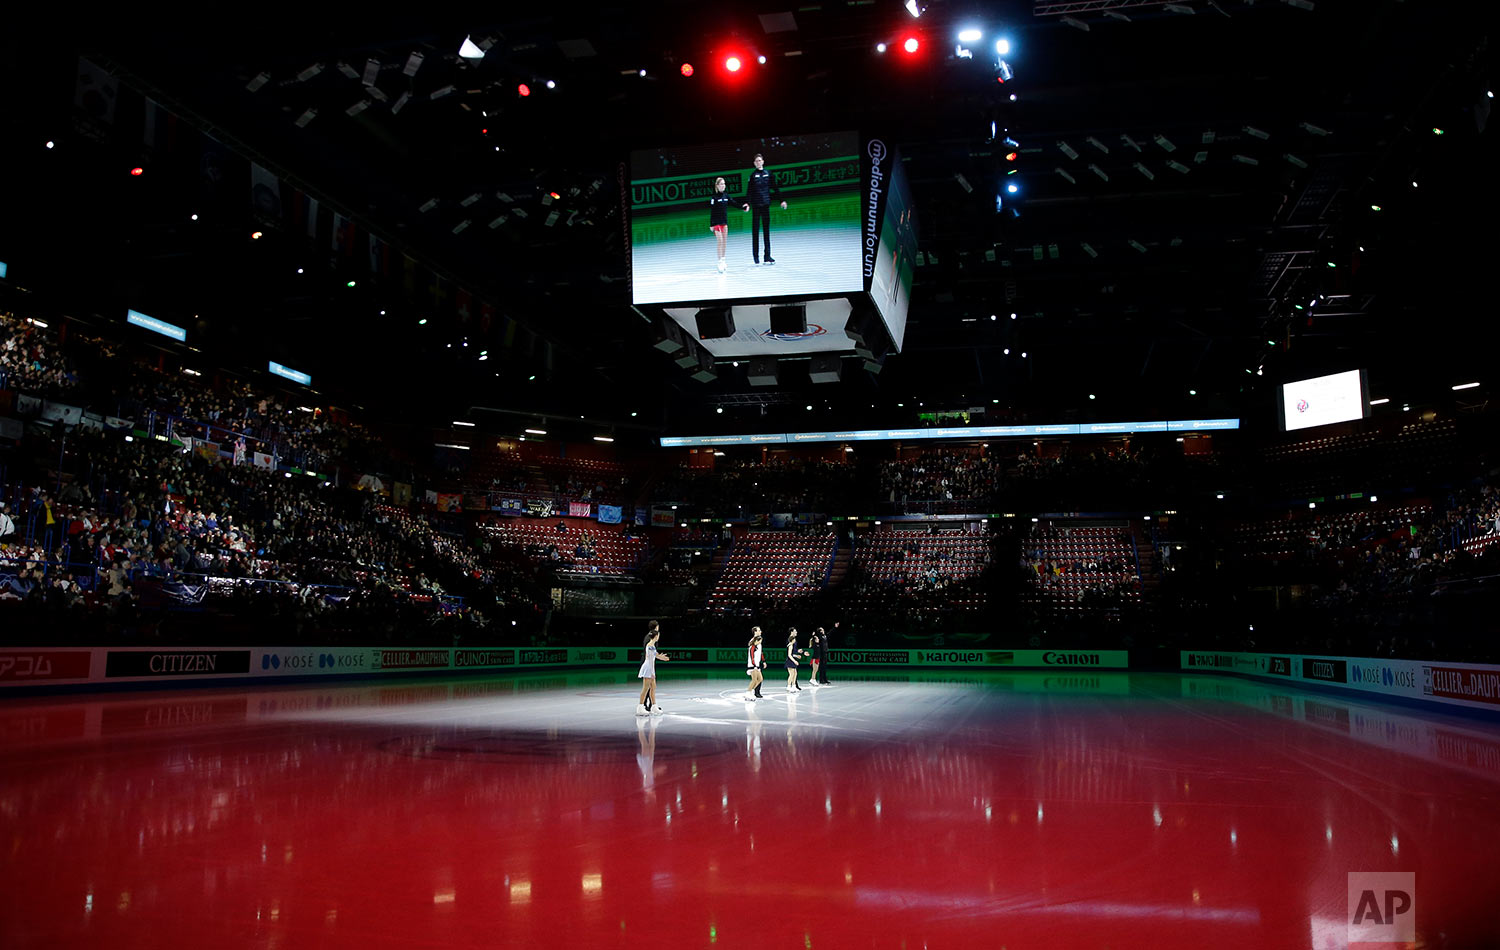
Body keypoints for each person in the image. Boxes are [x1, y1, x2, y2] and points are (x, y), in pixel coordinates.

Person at [741, 153, 787, 265]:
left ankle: (767, 256)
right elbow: (749, 192)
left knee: (766, 232)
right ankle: (756, 257)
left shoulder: (768, 174)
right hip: (756, 207)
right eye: (756, 161)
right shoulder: (752, 176)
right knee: (755, 232)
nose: (758, 162)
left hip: (766, 206)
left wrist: (781, 200)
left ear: (763, 161)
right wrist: (747, 203)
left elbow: (775, 188)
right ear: (754, 163)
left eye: (760, 160)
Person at [636, 620, 671, 716]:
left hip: (651, 667)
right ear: (655, 636)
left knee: (653, 687)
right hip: (648, 667)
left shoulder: (652, 645)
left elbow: (655, 654)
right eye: (658, 635)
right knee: (645, 688)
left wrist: (662, 657)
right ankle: (640, 707)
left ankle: (654, 706)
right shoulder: (650, 645)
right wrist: (660, 657)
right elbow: (653, 655)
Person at [709, 176, 735, 274]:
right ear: (717, 186)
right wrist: (711, 224)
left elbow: (733, 203)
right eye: (721, 184)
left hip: (724, 223)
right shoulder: (714, 198)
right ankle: (719, 261)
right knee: (720, 241)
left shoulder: (726, 196)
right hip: (716, 223)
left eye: (724, 184)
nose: (723, 186)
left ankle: (723, 260)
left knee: (724, 242)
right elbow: (712, 211)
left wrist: (742, 207)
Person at [745, 626, 765, 701]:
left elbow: (760, 653)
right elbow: (751, 655)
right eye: (759, 630)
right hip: (753, 665)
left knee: (760, 679)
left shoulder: (759, 641)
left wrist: (763, 661)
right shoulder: (753, 642)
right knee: (754, 680)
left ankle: (751, 692)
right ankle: (748, 693)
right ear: (755, 632)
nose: (761, 631)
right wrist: (754, 665)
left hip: (757, 664)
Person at [784, 627, 802, 692]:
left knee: (795, 673)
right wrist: (795, 660)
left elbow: (793, 652)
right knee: (791, 674)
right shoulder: (790, 644)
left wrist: (797, 654)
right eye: (795, 631)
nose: (796, 632)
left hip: (793, 659)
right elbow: (789, 654)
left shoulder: (792, 643)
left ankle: (794, 686)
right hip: (790, 660)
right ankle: (789, 686)